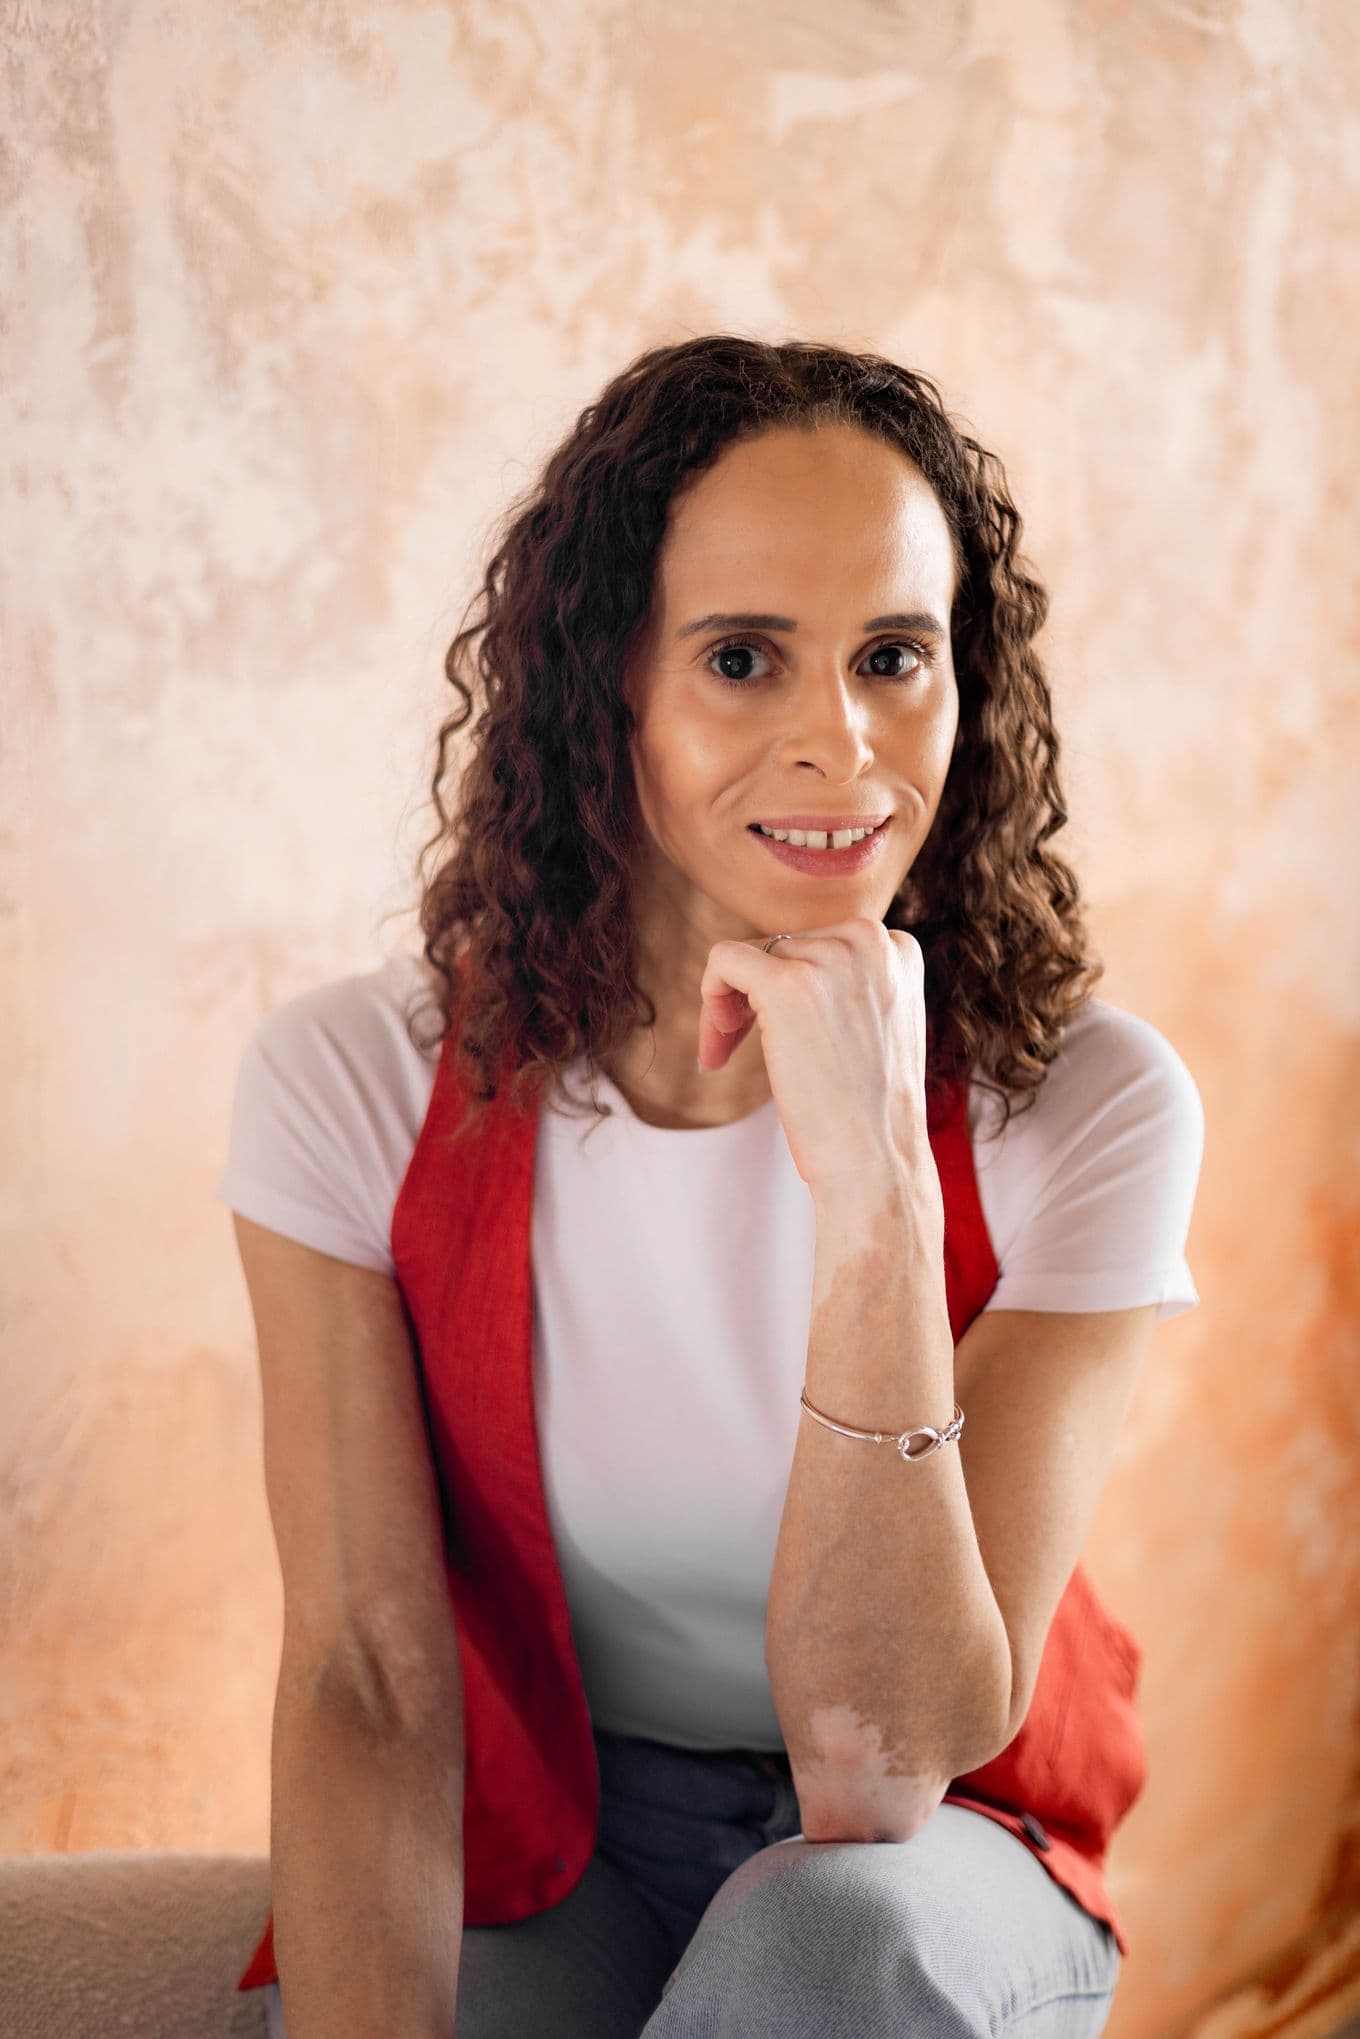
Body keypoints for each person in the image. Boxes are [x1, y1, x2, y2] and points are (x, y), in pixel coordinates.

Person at [215, 335, 1205, 2038]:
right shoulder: (354, 1085)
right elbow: (371, 1678)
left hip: (940, 1858)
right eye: (744, 657)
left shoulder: (1090, 1103)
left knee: (821, 1948)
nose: (844, 745)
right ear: (609, 685)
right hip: (563, 1823)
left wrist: (877, 1185)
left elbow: (882, 1766)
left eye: (896, 654)